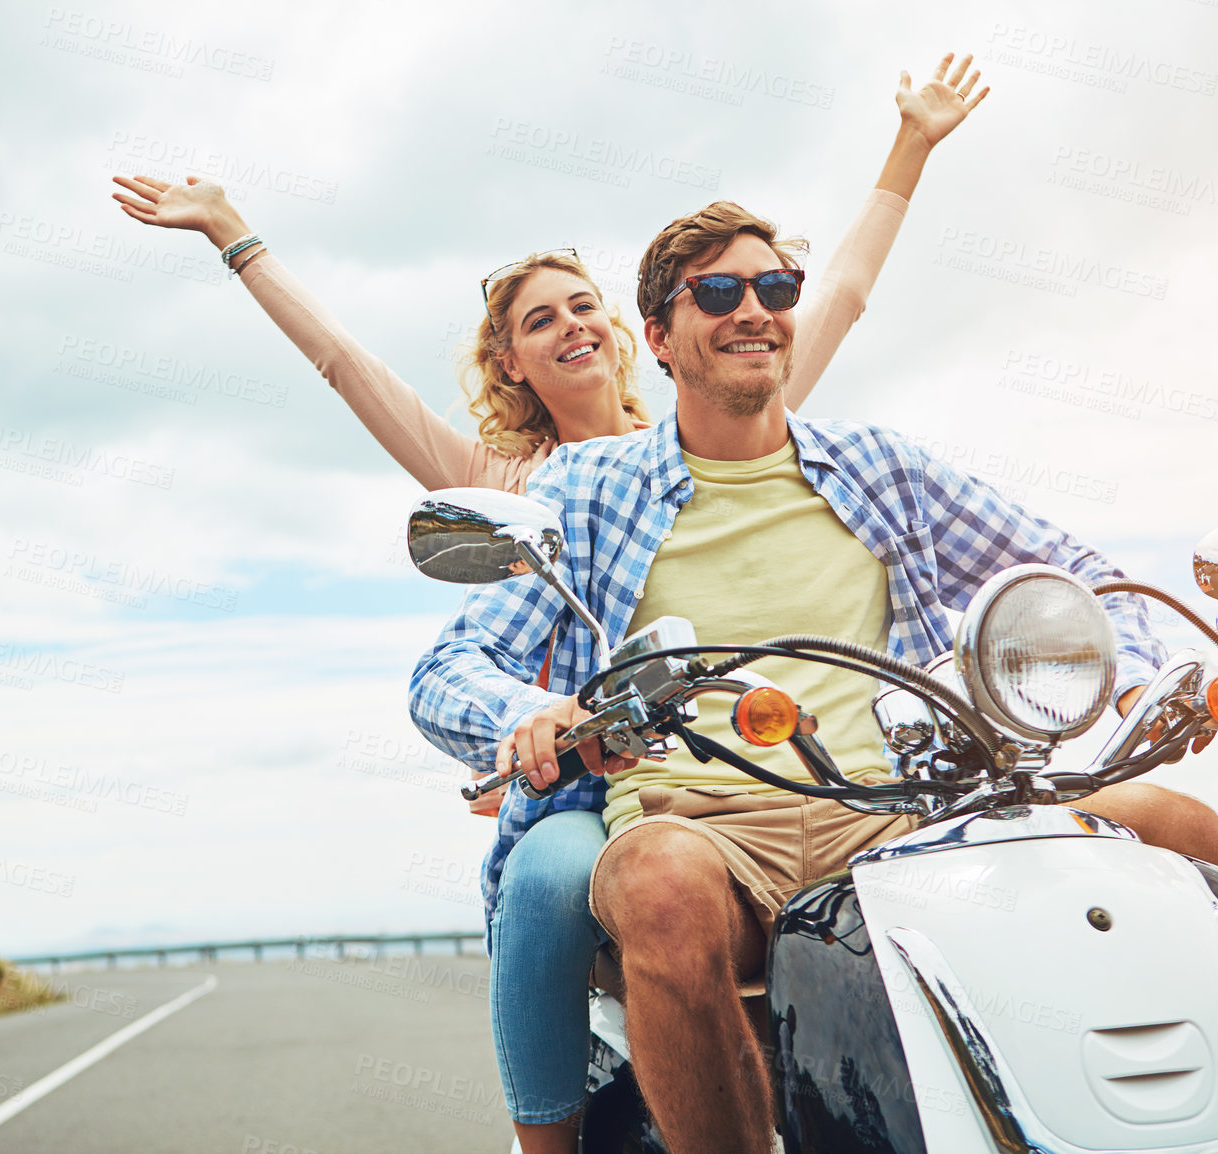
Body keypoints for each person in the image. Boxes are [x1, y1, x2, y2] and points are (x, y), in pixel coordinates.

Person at [115, 56, 991, 1153]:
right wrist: (235, 236)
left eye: (585, 305)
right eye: (541, 320)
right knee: (544, 879)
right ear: (512, 359)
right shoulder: (503, 475)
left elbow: (844, 291)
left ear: (633, 330)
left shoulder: (714, 415)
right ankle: (549, 1141)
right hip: (603, 771)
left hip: (790, 757)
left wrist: (911, 142)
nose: (572, 326)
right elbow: (346, 366)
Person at [408, 195, 1218, 1153]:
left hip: (898, 807)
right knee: (655, 885)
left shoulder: (879, 464)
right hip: (708, 823)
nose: (752, 309)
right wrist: (536, 711)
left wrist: (1138, 677)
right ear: (658, 334)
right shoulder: (589, 484)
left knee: (1180, 831)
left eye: (773, 287)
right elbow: (448, 670)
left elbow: (1086, 576)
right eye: (717, 292)